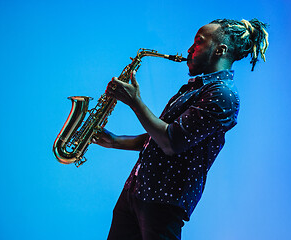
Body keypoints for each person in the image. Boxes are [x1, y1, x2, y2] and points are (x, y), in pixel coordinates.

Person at [94, 18, 269, 240]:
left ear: (220, 50)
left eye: (198, 42)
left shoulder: (223, 95)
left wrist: (134, 101)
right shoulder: (195, 87)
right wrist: (115, 140)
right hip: (137, 191)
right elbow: (160, 136)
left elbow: (171, 142)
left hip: (163, 202)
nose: (189, 49)